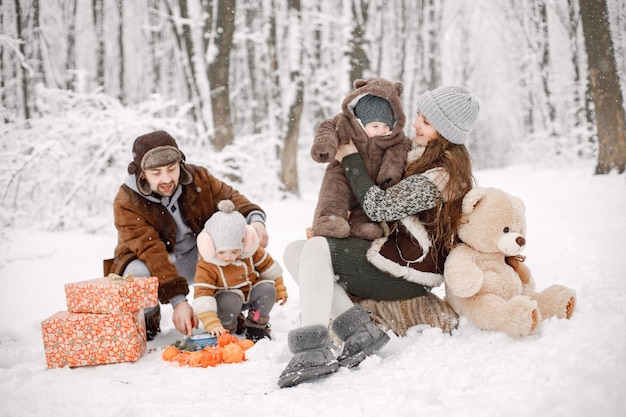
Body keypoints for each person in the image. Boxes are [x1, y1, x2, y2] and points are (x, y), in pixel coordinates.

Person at [278, 86, 480, 388]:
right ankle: (360, 333)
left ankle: (313, 349)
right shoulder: (417, 154)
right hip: (388, 253)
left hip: (410, 271)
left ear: (445, 130)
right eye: (419, 117)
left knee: (317, 248)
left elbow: (380, 207)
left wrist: (350, 157)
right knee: (296, 250)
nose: (415, 124)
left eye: (425, 121)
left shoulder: (444, 175)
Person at [103, 130, 268, 340]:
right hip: (151, 264)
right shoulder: (127, 201)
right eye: (156, 173)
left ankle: (228, 310)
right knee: (136, 275)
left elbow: (231, 198)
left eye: (172, 169)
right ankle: (148, 314)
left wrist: (255, 221)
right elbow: (150, 250)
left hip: (196, 259)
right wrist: (178, 301)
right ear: (142, 173)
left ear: (180, 164)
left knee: (238, 241)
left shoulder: (198, 178)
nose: (166, 179)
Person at [310, 78, 411, 241]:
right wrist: (325, 147)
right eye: (376, 126)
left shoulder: (394, 138)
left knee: (367, 205)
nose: (382, 131)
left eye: (387, 126)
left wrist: (390, 174)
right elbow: (327, 127)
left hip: (370, 183)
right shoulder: (345, 123)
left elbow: (398, 153)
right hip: (342, 173)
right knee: (334, 192)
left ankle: (361, 225)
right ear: (362, 122)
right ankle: (328, 220)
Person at [193, 200, 287, 342]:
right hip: (226, 302)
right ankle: (226, 329)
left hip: (249, 294)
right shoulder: (207, 264)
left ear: (244, 242)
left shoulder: (250, 251)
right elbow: (202, 295)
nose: (228, 257)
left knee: (267, 289)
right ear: (211, 246)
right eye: (222, 252)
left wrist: (279, 288)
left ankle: (255, 325)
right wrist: (212, 323)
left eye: (235, 251)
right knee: (229, 300)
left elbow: (268, 267)